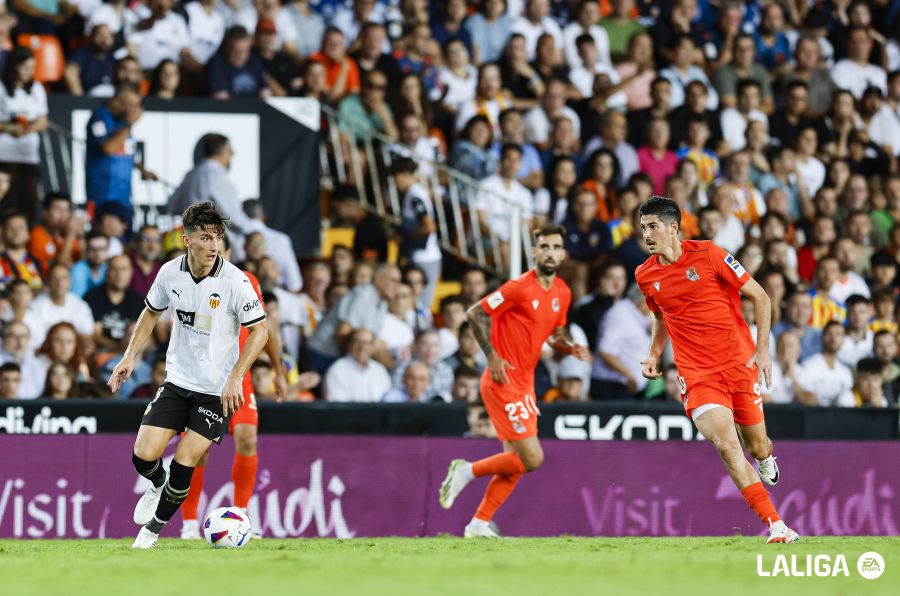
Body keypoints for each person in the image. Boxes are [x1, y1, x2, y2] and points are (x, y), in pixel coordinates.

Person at [635, 196, 799, 543]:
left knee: (756, 446)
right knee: (727, 446)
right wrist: (653, 353)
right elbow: (661, 315)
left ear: (673, 228)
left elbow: (762, 297)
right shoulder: (645, 274)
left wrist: (763, 350)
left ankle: (767, 455)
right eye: (642, 227)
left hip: (739, 366)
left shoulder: (710, 254)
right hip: (697, 376)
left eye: (652, 226)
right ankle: (776, 524)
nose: (646, 234)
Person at [107, 202, 269, 549]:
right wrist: (129, 356)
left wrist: (235, 377)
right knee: (142, 456)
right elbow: (150, 313)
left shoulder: (234, 281)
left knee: (186, 463)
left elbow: (261, 331)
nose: (213, 246)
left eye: (218, 239)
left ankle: (150, 532)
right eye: (206, 237)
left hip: (214, 392)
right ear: (187, 240)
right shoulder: (169, 273)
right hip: (178, 382)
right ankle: (155, 484)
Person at [438, 224, 590, 537]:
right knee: (533, 458)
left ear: (563, 253)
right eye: (544, 247)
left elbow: (555, 333)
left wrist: (568, 346)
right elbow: (474, 313)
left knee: (517, 462)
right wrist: (491, 356)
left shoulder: (562, 291)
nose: (549, 253)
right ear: (534, 251)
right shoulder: (519, 287)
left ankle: (479, 523)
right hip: (502, 380)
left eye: (555, 247)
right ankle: (465, 471)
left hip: (525, 384)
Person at [179, 239, 287, 540]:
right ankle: (189, 523)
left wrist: (278, 371)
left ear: (228, 254)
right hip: (202, 380)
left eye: (220, 251)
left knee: (247, 438)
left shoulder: (246, 281)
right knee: (197, 451)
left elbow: (263, 328)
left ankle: (241, 516)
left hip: (239, 378)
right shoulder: (188, 283)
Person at [169, 133, 265, 262]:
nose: (231, 156)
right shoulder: (217, 175)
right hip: (215, 246)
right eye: (230, 152)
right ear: (223, 152)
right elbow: (232, 215)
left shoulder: (191, 174)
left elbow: (171, 206)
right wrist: (253, 230)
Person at [85, 84, 157, 224]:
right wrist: (129, 124)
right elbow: (108, 148)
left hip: (123, 196)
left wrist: (142, 169)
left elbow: (126, 151)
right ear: (117, 101)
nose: (136, 111)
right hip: (102, 194)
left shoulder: (123, 123)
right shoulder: (99, 117)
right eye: (132, 105)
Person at [0, 47, 49, 224]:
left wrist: (30, 128)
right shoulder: (2, 87)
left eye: (32, 67)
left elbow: (44, 120)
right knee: (5, 198)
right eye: (25, 67)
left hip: (28, 153)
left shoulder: (36, 88)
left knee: (28, 199)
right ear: (14, 66)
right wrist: (9, 128)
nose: (30, 72)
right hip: (4, 153)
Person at [323, 327, 392, 402]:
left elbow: (388, 399)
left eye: (367, 343)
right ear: (349, 344)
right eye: (357, 342)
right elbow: (337, 406)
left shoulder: (380, 370)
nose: (362, 347)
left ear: (372, 347)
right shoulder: (337, 370)